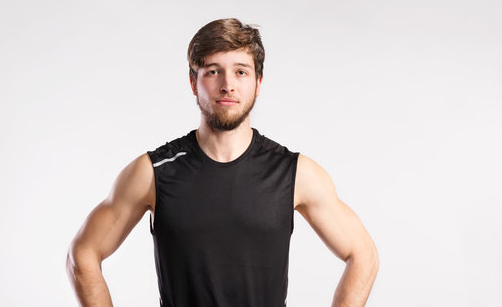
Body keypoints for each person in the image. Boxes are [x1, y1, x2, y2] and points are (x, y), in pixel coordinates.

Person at [66, 18, 379, 307]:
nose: (227, 84)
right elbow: (82, 254)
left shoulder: (295, 173)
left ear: (258, 82)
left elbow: (362, 254)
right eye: (213, 71)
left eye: (240, 71)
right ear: (194, 83)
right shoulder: (153, 172)